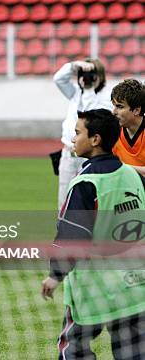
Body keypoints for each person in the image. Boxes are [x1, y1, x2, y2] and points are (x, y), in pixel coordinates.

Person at [41, 109, 145, 359]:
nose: (73, 138)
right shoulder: (133, 176)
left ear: (95, 139)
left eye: (77, 133)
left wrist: (55, 275)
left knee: (73, 348)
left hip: (94, 288)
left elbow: (73, 235)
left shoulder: (85, 184)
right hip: (134, 287)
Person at [53, 59, 112, 210]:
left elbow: (94, 116)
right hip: (69, 155)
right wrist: (74, 66)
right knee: (64, 199)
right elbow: (58, 79)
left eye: (92, 75)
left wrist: (90, 89)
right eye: (84, 75)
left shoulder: (105, 97)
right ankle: (64, 231)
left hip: (93, 157)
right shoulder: (74, 93)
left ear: (100, 76)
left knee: (91, 199)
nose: (87, 78)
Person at [111, 78, 145, 176]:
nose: (114, 112)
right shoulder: (112, 131)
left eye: (120, 107)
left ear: (136, 110)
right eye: (114, 106)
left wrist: (120, 167)